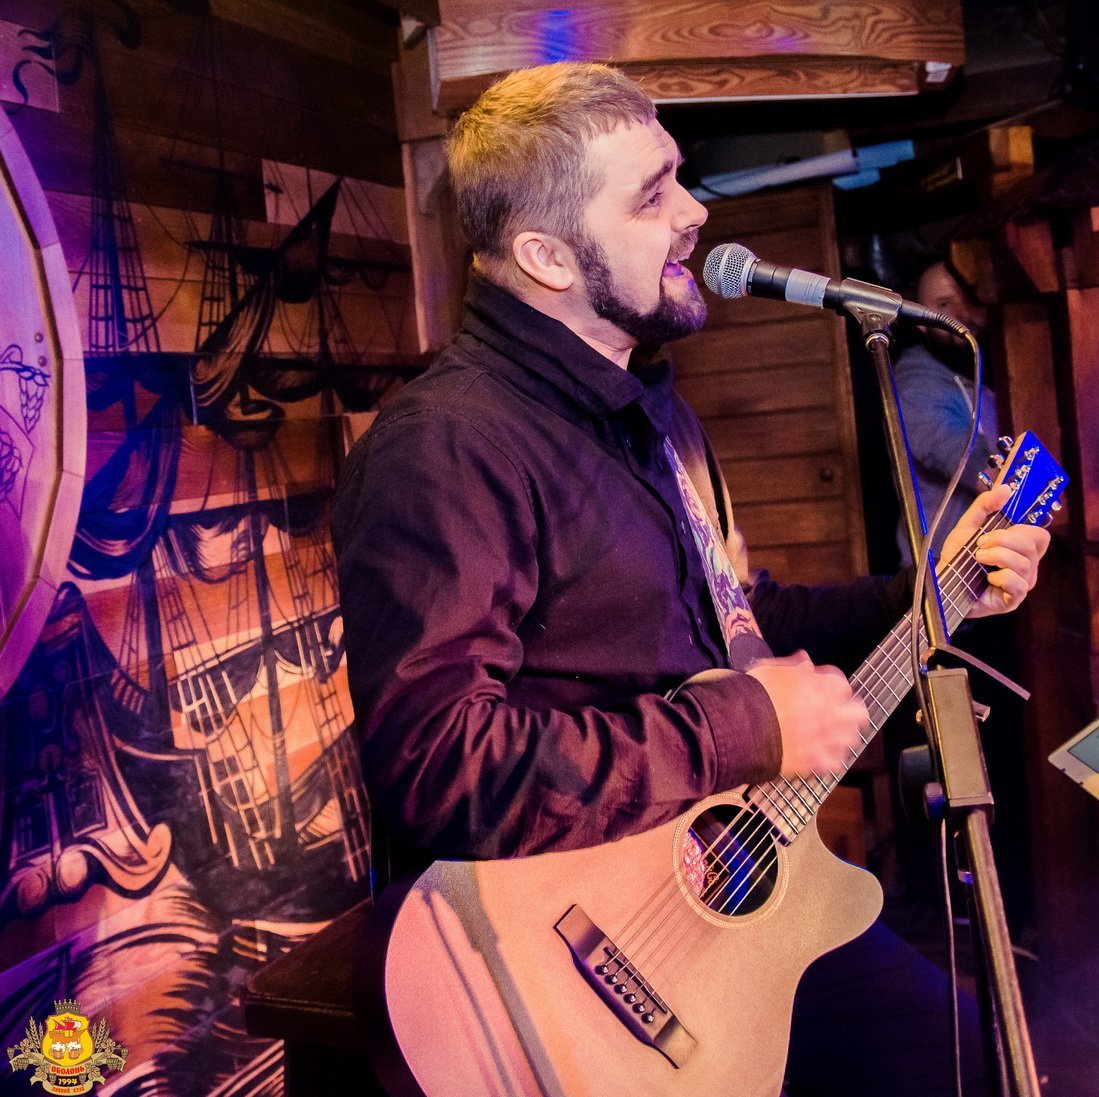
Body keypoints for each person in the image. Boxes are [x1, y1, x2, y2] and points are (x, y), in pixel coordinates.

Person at [330, 61, 1049, 1095]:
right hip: (577, 965)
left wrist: (934, 589)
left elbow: (737, 622)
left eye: (679, 178)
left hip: (729, 885)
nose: (695, 212)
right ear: (545, 255)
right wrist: (745, 727)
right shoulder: (447, 446)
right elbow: (438, 764)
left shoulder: (654, 410)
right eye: (651, 194)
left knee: (973, 1058)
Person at [892, 258, 998, 564]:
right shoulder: (916, 383)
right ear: (922, 322)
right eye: (944, 304)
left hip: (985, 558)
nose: (963, 314)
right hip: (944, 571)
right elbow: (980, 470)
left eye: (967, 298)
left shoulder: (981, 366)